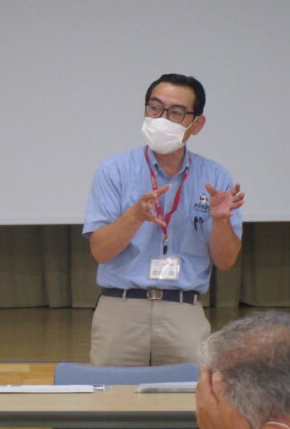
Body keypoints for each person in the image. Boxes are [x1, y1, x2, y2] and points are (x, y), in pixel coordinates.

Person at [83, 73, 245, 367]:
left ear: (197, 124)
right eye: (154, 108)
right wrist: (134, 216)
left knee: (188, 405)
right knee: (110, 406)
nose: (161, 118)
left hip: (183, 310)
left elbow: (225, 261)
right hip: (121, 308)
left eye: (176, 112)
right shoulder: (114, 171)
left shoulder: (215, 177)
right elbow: (100, 251)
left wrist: (221, 221)